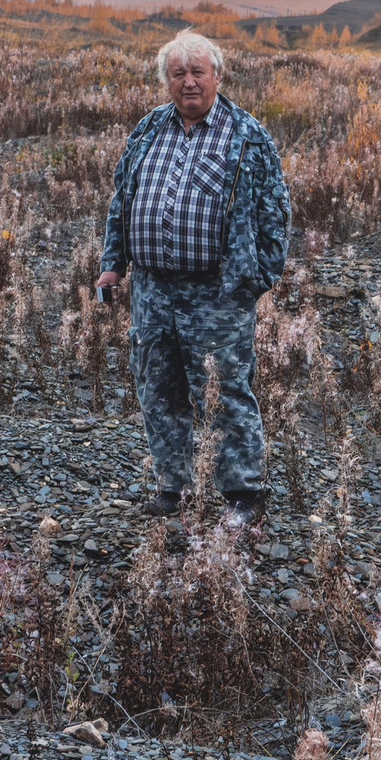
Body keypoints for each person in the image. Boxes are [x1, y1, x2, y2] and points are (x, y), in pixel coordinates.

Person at [94, 31, 291, 523]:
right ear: (166, 80)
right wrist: (113, 263)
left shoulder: (247, 135)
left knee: (224, 391)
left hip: (217, 293)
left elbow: (275, 213)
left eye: (197, 72)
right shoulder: (148, 130)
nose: (188, 83)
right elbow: (123, 200)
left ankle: (243, 494)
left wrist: (254, 278)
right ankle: (172, 487)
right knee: (158, 388)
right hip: (153, 289)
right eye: (177, 73)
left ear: (217, 76)